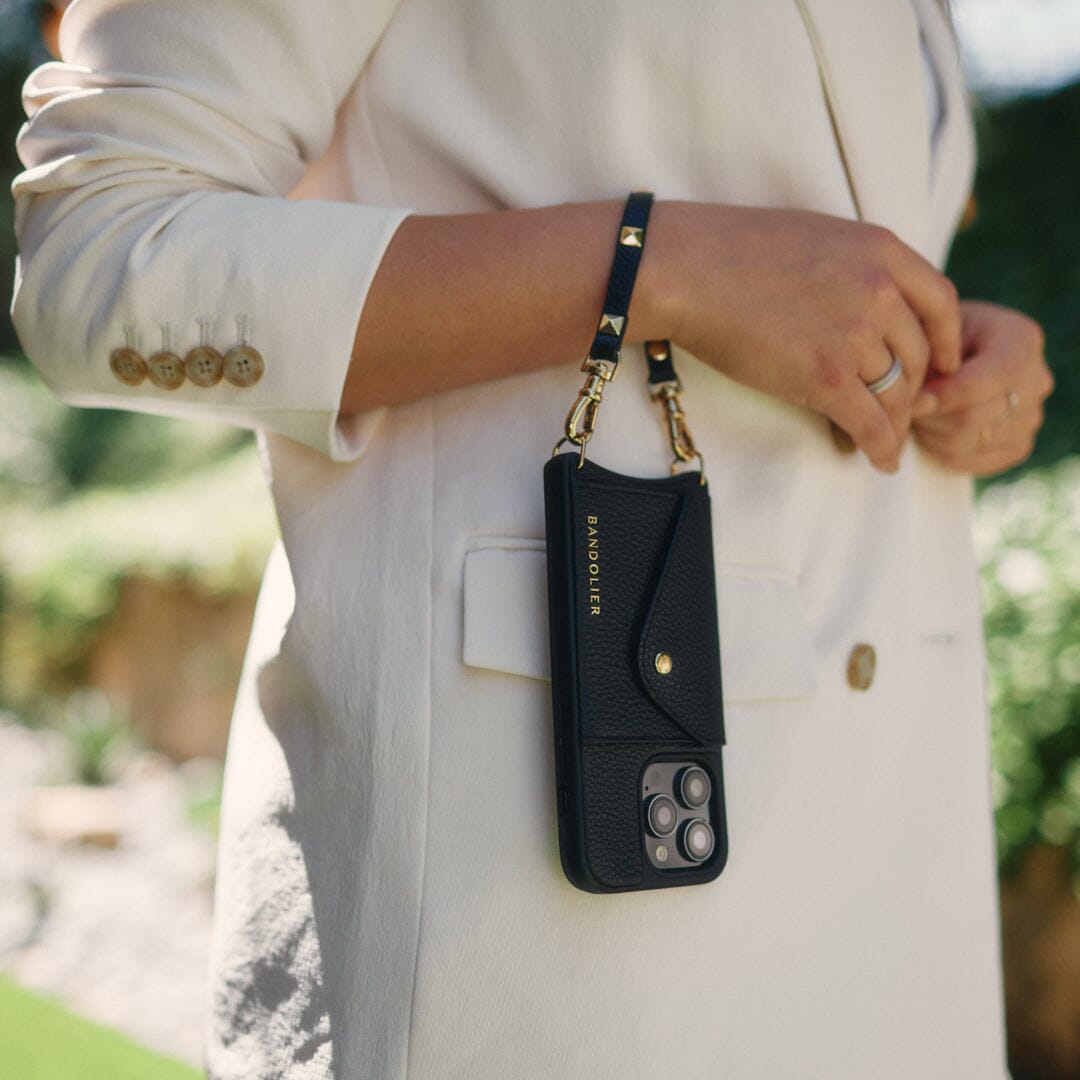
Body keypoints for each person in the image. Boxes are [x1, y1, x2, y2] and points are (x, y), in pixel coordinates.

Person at [11, 1, 1053, 1077]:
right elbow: (108, 249)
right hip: (541, 905)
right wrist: (662, 266)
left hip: (893, 862)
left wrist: (933, 355)